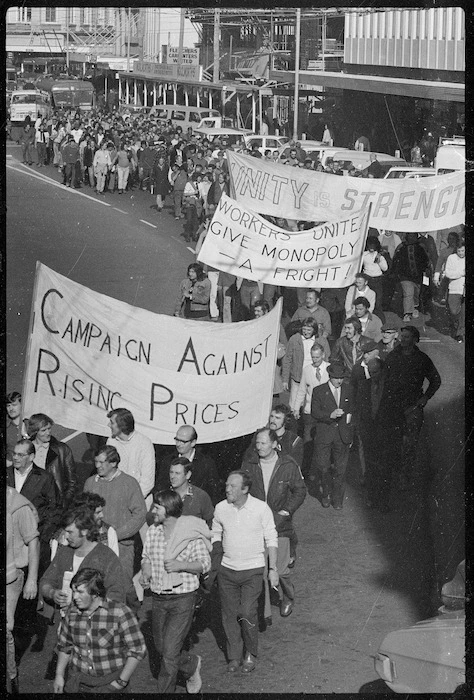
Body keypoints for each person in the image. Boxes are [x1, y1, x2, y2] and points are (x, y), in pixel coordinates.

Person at [140, 490, 211, 693]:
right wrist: (146, 570)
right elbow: (146, 557)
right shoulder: (153, 530)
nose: (153, 510)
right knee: (162, 649)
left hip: (183, 597)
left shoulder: (189, 532)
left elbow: (204, 564)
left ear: (169, 510)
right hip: (159, 597)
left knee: (169, 654)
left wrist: (181, 565)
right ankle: (191, 665)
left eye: (157, 507)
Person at [211, 471, 278, 673]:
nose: (227, 489)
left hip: (253, 570)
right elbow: (215, 532)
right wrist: (216, 556)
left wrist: (273, 568)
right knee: (229, 615)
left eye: (232, 486)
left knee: (248, 612)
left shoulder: (260, 508)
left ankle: (250, 652)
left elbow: (271, 539)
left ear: (245, 489)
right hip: (227, 570)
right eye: (227, 485)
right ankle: (233, 656)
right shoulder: (221, 508)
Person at [242, 429, 306, 620]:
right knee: (259, 569)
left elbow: (300, 491)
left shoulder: (287, 464)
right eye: (257, 444)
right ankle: (263, 609)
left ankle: (287, 596)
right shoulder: (249, 465)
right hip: (256, 525)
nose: (258, 447)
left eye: (262, 443)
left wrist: (285, 512)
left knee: (280, 569)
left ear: (273, 444)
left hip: (279, 526)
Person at [53, 568, 146, 693]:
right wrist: (59, 675)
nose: (75, 597)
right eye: (74, 591)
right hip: (78, 683)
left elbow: (137, 650)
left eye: (80, 592)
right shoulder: (72, 612)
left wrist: (120, 682)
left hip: (110, 683)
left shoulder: (119, 612)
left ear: (95, 593)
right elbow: (64, 646)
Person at [377, 325, 441, 491]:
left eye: (407, 337)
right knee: (394, 443)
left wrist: (425, 398)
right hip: (393, 408)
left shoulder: (422, 359)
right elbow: (384, 380)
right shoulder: (393, 356)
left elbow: (436, 380)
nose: (403, 340)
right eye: (402, 336)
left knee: (410, 445)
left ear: (415, 340)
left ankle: (405, 478)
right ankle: (393, 475)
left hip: (412, 409)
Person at [83, 445, 147, 610]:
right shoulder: (90, 482)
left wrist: (115, 535)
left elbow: (140, 514)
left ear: (114, 463)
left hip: (122, 546)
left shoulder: (129, 483)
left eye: (102, 462)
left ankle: (132, 616)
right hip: (95, 544)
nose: (98, 466)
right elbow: (83, 511)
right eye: (96, 462)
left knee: (122, 585)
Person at [40, 506, 127, 614]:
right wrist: (52, 593)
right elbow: (46, 581)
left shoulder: (107, 557)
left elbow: (116, 597)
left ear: (85, 531)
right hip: (63, 624)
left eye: (70, 532)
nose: (65, 536)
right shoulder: (64, 552)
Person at [7, 439, 60, 573]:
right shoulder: (6, 474)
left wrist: (42, 537)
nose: (15, 457)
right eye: (14, 454)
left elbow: (54, 509)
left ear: (31, 457)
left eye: (20, 455)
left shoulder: (44, 478)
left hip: (33, 542)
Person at [7, 486, 39, 694]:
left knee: (5, 628)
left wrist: (32, 580)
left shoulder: (18, 506)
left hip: (11, 575)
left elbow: (33, 543)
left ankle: (10, 678)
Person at [310, 362, 355, 509]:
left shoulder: (349, 390)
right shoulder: (319, 391)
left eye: (341, 377)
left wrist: (351, 434)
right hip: (324, 435)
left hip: (342, 436)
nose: (339, 381)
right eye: (336, 378)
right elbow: (315, 413)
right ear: (330, 376)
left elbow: (354, 412)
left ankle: (337, 499)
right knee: (323, 467)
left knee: (340, 470)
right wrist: (330, 415)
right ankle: (326, 494)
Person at [157, 425, 221, 504]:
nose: (178, 444)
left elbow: (214, 493)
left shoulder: (206, 463)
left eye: (183, 441)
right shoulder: (168, 461)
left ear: (193, 442)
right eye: (177, 440)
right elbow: (160, 488)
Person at [106, 407, 155, 510]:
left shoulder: (145, 443)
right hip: (115, 503)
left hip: (139, 504)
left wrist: (129, 502)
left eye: (112, 423)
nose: (109, 425)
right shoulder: (111, 442)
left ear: (122, 425)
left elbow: (147, 481)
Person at [293, 342, 330, 475]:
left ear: (323, 355)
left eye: (317, 357)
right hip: (309, 412)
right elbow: (302, 390)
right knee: (308, 442)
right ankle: (307, 471)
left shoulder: (329, 369)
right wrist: (296, 408)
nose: (315, 360)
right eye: (313, 357)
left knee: (323, 443)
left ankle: (322, 470)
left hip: (325, 412)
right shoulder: (307, 370)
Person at [27, 413, 77, 508]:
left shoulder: (62, 449)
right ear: (35, 432)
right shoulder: (26, 448)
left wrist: (63, 503)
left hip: (54, 504)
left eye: (49, 428)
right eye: (43, 430)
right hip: (31, 502)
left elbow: (72, 482)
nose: (48, 433)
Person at [282, 318, 330, 411]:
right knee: (295, 404)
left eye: (309, 330)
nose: (306, 332)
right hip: (297, 377)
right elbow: (287, 359)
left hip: (314, 376)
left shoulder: (321, 340)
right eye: (304, 329)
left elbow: (327, 358)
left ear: (314, 330)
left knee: (312, 404)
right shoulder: (295, 339)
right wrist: (284, 379)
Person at [391, 232, 430, 322]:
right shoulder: (401, 247)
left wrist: (425, 269)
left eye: (413, 236)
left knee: (416, 293)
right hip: (405, 275)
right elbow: (396, 259)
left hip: (418, 275)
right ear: (406, 236)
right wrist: (394, 271)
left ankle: (415, 307)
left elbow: (427, 259)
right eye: (409, 235)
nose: (411, 238)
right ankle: (407, 313)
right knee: (408, 293)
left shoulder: (421, 246)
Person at [167, 456, 214, 526]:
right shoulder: (164, 496)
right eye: (171, 472)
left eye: (177, 473)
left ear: (188, 475)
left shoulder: (200, 496)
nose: (172, 476)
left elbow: (211, 522)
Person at [362, 236, 388, 324]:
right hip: (367, 279)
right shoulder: (364, 255)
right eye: (370, 245)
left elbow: (385, 268)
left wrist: (379, 260)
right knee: (367, 301)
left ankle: (381, 323)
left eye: (373, 245)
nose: (371, 247)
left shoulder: (380, 255)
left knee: (377, 302)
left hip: (377, 280)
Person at [444, 239, 465, 342]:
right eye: (459, 251)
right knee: (454, 311)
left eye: (463, 251)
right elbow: (448, 273)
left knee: (464, 313)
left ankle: (460, 333)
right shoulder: (451, 258)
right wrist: (461, 273)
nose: (461, 253)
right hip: (454, 289)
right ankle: (455, 326)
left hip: (464, 289)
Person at [6, 390, 25, 465]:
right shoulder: (7, 428)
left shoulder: (30, 425)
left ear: (22, 405)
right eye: (8, 405)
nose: (11, 409)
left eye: (14, 405)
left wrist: (25, 435)